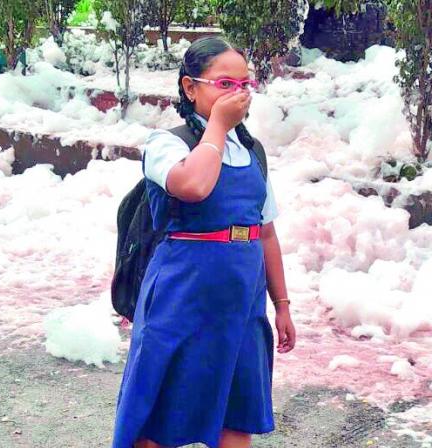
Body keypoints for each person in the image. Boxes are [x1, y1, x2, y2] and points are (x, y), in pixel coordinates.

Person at [111, 36, 297, 448]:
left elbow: (265, 231)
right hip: (182, 293)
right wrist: (216, 127)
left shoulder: (252, 152)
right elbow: (192, 185)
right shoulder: (168, 143)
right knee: (161, 410)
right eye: (224, 84)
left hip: (240, 299)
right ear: (190, 87)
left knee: (236, 410)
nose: (237, 93)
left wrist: (281, 305)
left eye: (244, 84)